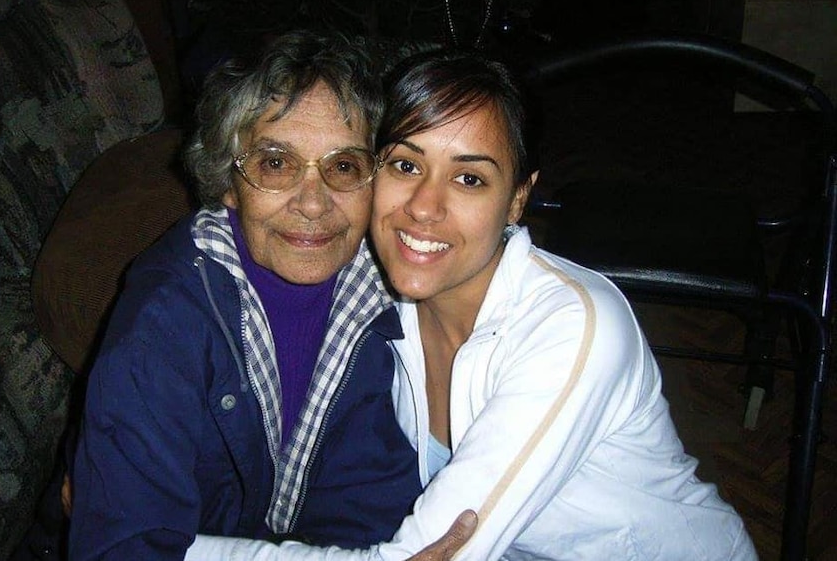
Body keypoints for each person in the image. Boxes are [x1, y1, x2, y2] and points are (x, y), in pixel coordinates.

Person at [186, 50, 758, 559]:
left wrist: (158, 546)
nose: (424, 207)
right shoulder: (378, 294)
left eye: (469, 179)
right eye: (406, 165)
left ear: (517, 200)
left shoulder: (572, 327)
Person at [68, 30, 472, 561]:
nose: (312, 203)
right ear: (228, 182)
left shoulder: (383, 301)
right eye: (275, 164)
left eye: (343, 166)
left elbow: (370, 506)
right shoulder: (165, 323)